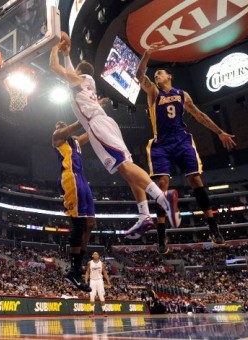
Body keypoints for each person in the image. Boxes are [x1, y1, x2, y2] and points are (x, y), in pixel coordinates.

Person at [50, 33, 181, 237]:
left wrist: (53, 46)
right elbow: (68, 70)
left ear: (78, 72)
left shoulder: (80, 80)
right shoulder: (84, 81)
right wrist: (67, 54)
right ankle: (144, 215)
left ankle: (163, 199)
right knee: (125, 170)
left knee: (125, 167)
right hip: (104, 123)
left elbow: (55, 69)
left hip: (97, 125)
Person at [136, 42, 237, 254]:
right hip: (161, 143)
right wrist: (146, 54)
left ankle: (214, 228)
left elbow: (199, 115)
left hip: (181, 140)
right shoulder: (154, 93)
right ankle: (162, 235)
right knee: (161, 183)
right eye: (155, 75)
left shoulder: (183, 95)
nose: (157, 76)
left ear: (169, 76)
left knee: (195, 179)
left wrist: (219, 132)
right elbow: (139, 75)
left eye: (160, 74)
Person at [52, 120, 95, 292]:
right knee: (78, 224)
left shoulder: (75, 140)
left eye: (63, 123)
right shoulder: (57, 137)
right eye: (59, 124)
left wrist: (97, 114)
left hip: (82, 178)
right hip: (70, 178)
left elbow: (91, 133)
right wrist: (84, 117)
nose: (61, 124)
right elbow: (74, 127)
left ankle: (77, 268)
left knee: (90, 223)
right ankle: (74, 270)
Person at [84, 252, 111, 316]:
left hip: (99, 281)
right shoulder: (89, 263)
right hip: (92, 280)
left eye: (96, 254)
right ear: (92, 256)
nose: (95, 255)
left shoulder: (101, 263)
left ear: (98, 256)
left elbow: (104, 273)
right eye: (94, 254)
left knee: (101, 296)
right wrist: (86, 281)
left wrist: (108, 281)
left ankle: (104, 311)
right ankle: (92, 311)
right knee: (92, 296)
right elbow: (87, 272)